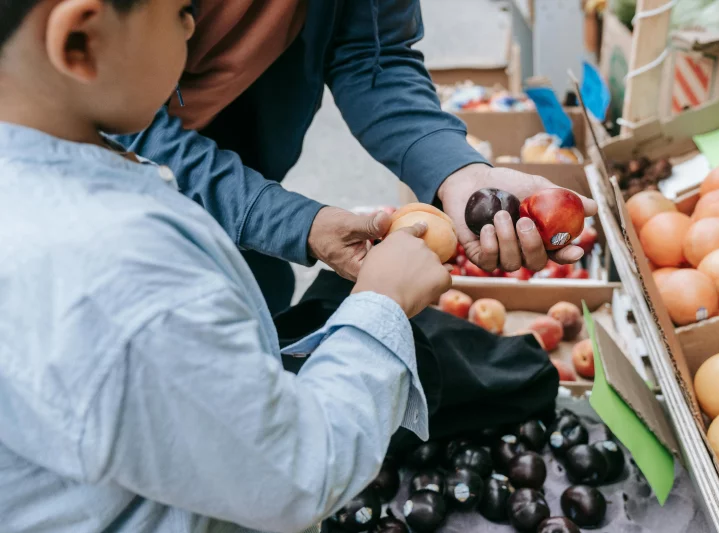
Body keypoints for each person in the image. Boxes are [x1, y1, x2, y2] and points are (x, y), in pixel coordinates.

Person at [0, 1, 452, 532]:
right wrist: (382, 304)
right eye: (180, 12)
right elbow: (295, 474)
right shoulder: (133, 281)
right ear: (81, 40)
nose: (194, 28)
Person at [116, 0, 598, 313]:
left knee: (256, 312)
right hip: (111, 182)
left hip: (243, 167)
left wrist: (457, 171)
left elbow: (375, 55)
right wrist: (296, 224)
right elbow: (115, 120)